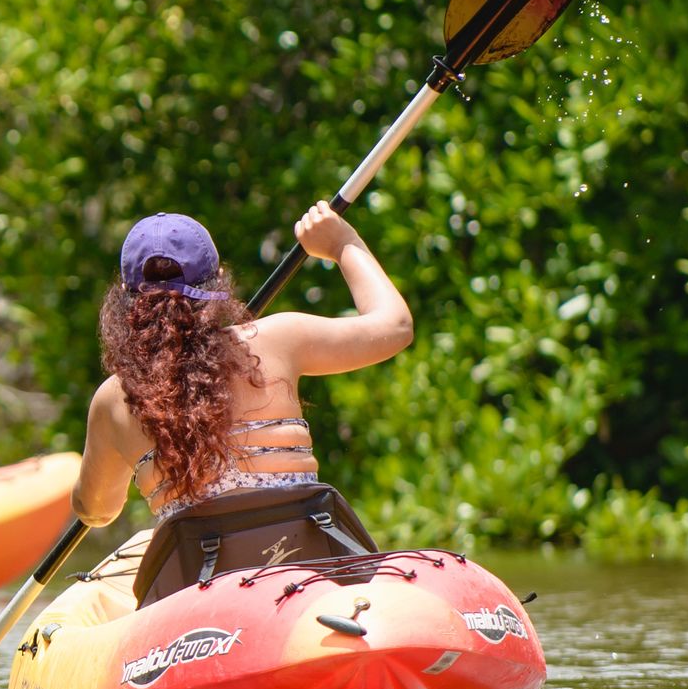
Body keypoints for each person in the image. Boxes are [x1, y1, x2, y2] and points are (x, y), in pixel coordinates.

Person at [44, 201, 416, 621]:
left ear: (127, 304)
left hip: (197, 603)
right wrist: (343, 243)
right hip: (313, 572)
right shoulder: (278, 338)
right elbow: (395, 327)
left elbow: (96, 510)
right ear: (219, 282)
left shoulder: (115, 399)